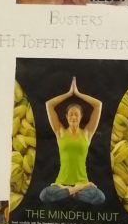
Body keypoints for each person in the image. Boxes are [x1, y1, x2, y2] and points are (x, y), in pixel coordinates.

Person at [39, 76, 105, 205]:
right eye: (71, 114)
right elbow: (49, 105)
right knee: (44, 195)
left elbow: (98, 105)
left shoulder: (87, 133)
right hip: (61, 184)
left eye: (76, 114)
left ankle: (70, 192)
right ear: (66, 117)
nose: (73, 117)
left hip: (82, 184)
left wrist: (78, 94)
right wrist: (69, 93)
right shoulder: (60, 132)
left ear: (81, 117)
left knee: (99, 197)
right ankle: (73, 191)